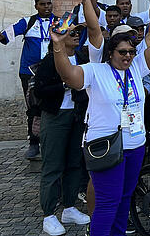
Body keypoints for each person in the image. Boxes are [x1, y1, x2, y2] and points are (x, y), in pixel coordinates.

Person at [51, 0, 150, 236]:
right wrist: (58, 45)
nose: (128, 56)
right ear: (110, 52)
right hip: (106, 146)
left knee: (125, 201)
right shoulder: (95, 71)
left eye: (132, 52)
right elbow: (69, 75)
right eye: (123, 52)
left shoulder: (136, 67)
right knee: (107, 204)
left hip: (134, 144)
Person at [33, 24, 91, 235]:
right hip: (56, 116)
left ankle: (69, 206)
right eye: (72, 33)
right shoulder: (50, 60)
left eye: (78, 33)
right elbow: (40, 89)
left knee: (74, 162)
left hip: (77, 116)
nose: (76, 36)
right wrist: (65, 85)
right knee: (53, 165)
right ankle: (49, 214)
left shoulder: (82, 58)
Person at [0, 0, 54, 159]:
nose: (47, 7)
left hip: (53, 71)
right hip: (29, 72)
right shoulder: (28, 22)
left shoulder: (59, 22)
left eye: (49, 3)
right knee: (33, 107)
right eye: (43, 4)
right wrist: (1, 36)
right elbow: (9, 33)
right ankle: (34, 144)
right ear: (36, 6)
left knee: (54, 106)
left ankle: (51, 143)